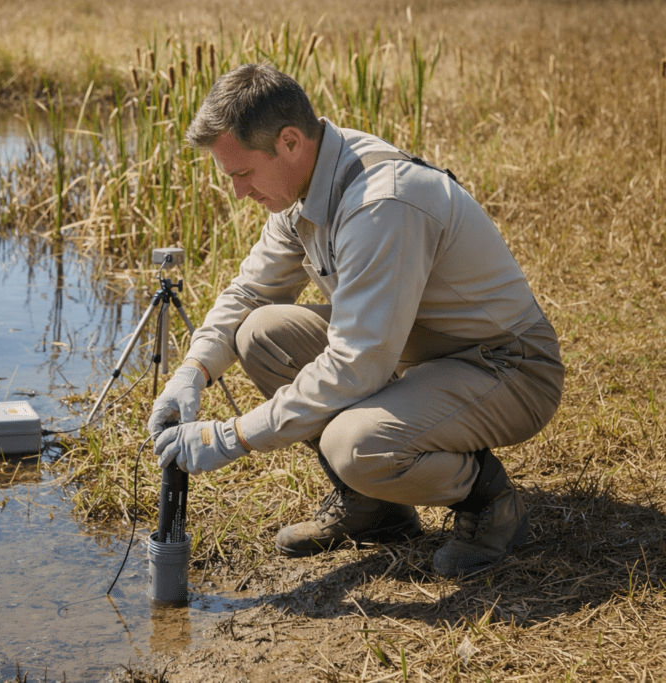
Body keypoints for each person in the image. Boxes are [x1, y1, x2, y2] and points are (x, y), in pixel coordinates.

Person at [147, 63, 564, 577]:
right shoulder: (306, 184)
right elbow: (251, 292)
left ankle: (489, 501)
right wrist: (193, 371)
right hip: (416, 353)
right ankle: (374, 508)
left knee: (357, 445)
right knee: (261, 334)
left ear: (289, 142)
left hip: (505, 366)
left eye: (242, 174)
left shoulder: (380, 202)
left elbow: (356, 365)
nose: (238, 192)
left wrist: (232, 437)